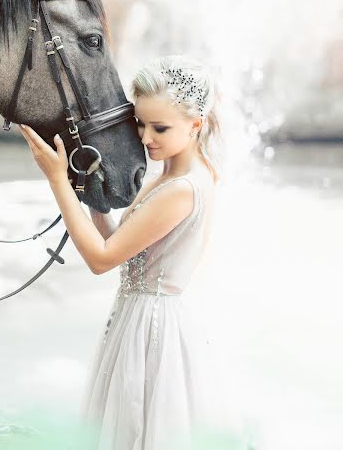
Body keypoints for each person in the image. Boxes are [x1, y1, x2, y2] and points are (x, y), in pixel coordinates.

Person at [18, 54, 251, 450]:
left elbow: (102, 259)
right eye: (140, 124)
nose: (144, 138)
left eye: (159, 127)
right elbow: (118, 242)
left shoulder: (181, 189)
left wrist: (57, 180)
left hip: (153, 329)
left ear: (195, 125)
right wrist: (89, 190)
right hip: (136, 316)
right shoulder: (168, 175)